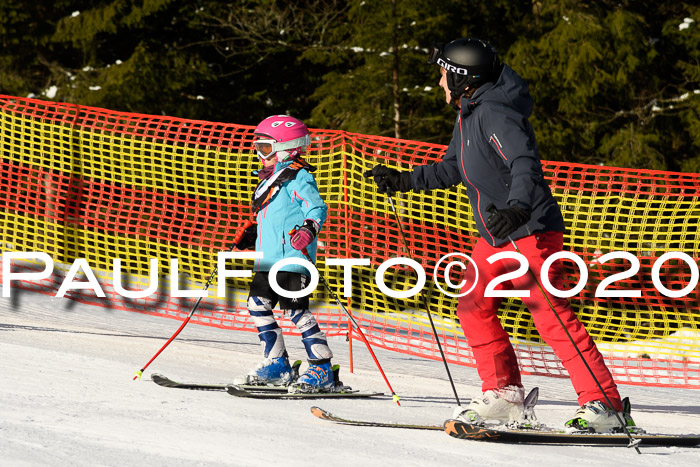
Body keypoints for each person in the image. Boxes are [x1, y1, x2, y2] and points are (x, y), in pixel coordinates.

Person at [364, 38, 637, 433]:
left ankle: (605, 405)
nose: (439, 82)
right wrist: (404, 180)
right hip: (496, 234)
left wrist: (519, 206)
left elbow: (523, 160)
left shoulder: (495, 113)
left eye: (443, 74)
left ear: (462, 78)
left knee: (550, 318)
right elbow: (452, 168)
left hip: (527, 229)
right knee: (472, 305)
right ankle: (505, 395)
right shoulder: (468, 113)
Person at [233, 115, 335, 391]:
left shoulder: (298, 177)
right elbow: (274, 218)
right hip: (267, 260)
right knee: (257, 305)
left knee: (296, 311)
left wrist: (309, 229)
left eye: (265, 148)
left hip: (293, 259)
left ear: (286, 148)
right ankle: (277, 362)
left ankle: (322, 368)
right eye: (257, 147)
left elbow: (317, 209)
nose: (259, 154)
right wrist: (252, 235)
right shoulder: (268, 179)